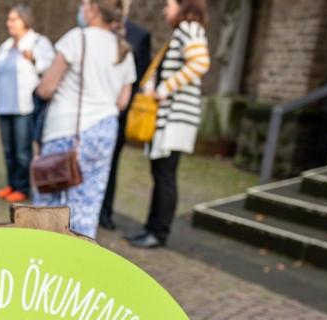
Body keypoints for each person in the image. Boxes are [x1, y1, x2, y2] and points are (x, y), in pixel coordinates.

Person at [31, 0, 134, 238]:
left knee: (49, 203)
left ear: (95, 9)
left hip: (68, 130)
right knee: (87, 204)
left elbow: (46, 88)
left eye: (85, 3)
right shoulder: (123, 48)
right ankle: (79, 263)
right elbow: (122, 101)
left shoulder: (78, 38)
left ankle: (41, 258)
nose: (82, 6)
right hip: (104, 131)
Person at [127, 0, 209, 249]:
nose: (165, 10)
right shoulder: (183, 31)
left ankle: (158, 232)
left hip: (174, 119)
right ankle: (152, 228)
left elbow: (200, 63)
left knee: (164, 175)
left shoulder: (189, 28)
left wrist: (163, 89)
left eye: (169, 5)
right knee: (161, 173)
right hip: (170, 119)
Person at [0, 5, 53, 203]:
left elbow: (49, 71)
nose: (9, 23)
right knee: (8, 149)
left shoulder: (38, 42)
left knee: (23, 150)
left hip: (24, 107)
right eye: (8, 19)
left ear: (25, 21)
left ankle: (23, 187)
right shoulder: (5, 47)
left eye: (13, 19)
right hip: (5, 105)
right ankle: (12, 183)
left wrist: (34, 59)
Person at [98, 17, 150, 230]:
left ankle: (105, 211)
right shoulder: (87, 31)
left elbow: (140, 77)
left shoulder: (139, 36)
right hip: (87, 114)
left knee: (110, 166)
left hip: (116, 115)